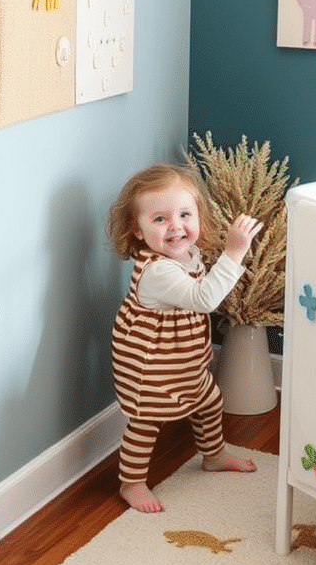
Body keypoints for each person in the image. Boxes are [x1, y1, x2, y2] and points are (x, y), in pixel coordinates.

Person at [106, 162, 263, 512]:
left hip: (182, 358)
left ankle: (214, 455)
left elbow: (192, 302)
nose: (176, 226)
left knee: (208, 401)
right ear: (137, 229)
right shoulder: (158, 271)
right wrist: (235, 251)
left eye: (185, 214)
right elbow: (204, 299)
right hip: (152, 364)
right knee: (145, 421)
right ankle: (131, 483)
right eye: (160, 219)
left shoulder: (187, 255)